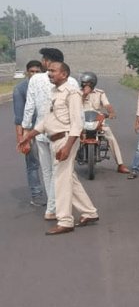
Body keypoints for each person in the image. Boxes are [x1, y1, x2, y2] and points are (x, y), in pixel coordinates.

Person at [17, 61, 98, 235]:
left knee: (60, 180)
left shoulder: (72, 93)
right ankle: (89, 212)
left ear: (64, 74)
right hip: (54, 140)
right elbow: (45, 121)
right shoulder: (53, 92)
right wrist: (27, 136)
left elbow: (77, 123)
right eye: (49, 71)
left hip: (66, 139)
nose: (49, 73)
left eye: (53, 71)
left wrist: (68, 147)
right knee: (69, 178)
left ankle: (65, 221)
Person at [21, 48, 79, 221]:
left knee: (47, 171)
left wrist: (25, 131)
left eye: (44, 60)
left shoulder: (36, 79)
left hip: (40, 133)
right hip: (61, 133)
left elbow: (29, 107)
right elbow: (76, 112)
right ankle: (55, 208)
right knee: (59, 172)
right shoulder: (72, 82)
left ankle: (52, 207)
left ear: (47, 62)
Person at [79, 72, 130, 174]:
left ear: (92, 83)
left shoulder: (100, 93)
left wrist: (111, 112)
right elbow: (76, 104)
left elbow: (107, 105)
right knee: (71, 137)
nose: (84, 85)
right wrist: (84, 94)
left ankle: (120, 164)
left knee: (111, 137)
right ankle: (67, 165)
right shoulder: (78, 92)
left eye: (87, 83)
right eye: (83, 83)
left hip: (97, 120)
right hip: (81, 120)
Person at [13, 60, 45, 207]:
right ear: (27, 73)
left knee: (52, 164)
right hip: (29, 132)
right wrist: (21, 139)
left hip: (47, 130)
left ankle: (54, 195)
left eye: (37, 72)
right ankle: (36, 194)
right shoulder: (20, 89)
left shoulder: (48, 86)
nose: (34, 74)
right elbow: (18, 118)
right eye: (31, 71)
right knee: (33, 164)